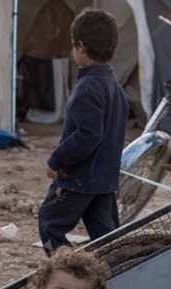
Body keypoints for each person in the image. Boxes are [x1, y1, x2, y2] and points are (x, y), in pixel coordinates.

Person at [37, 8, 129, 255]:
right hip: (105, 181)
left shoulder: (87, 87)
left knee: (49, 224)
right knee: (109, 240)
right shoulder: (115, 87)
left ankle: (67, 273)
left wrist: (57, 159)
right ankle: (117, 275)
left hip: (78, 179)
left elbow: (89, 134)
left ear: (80, 46)